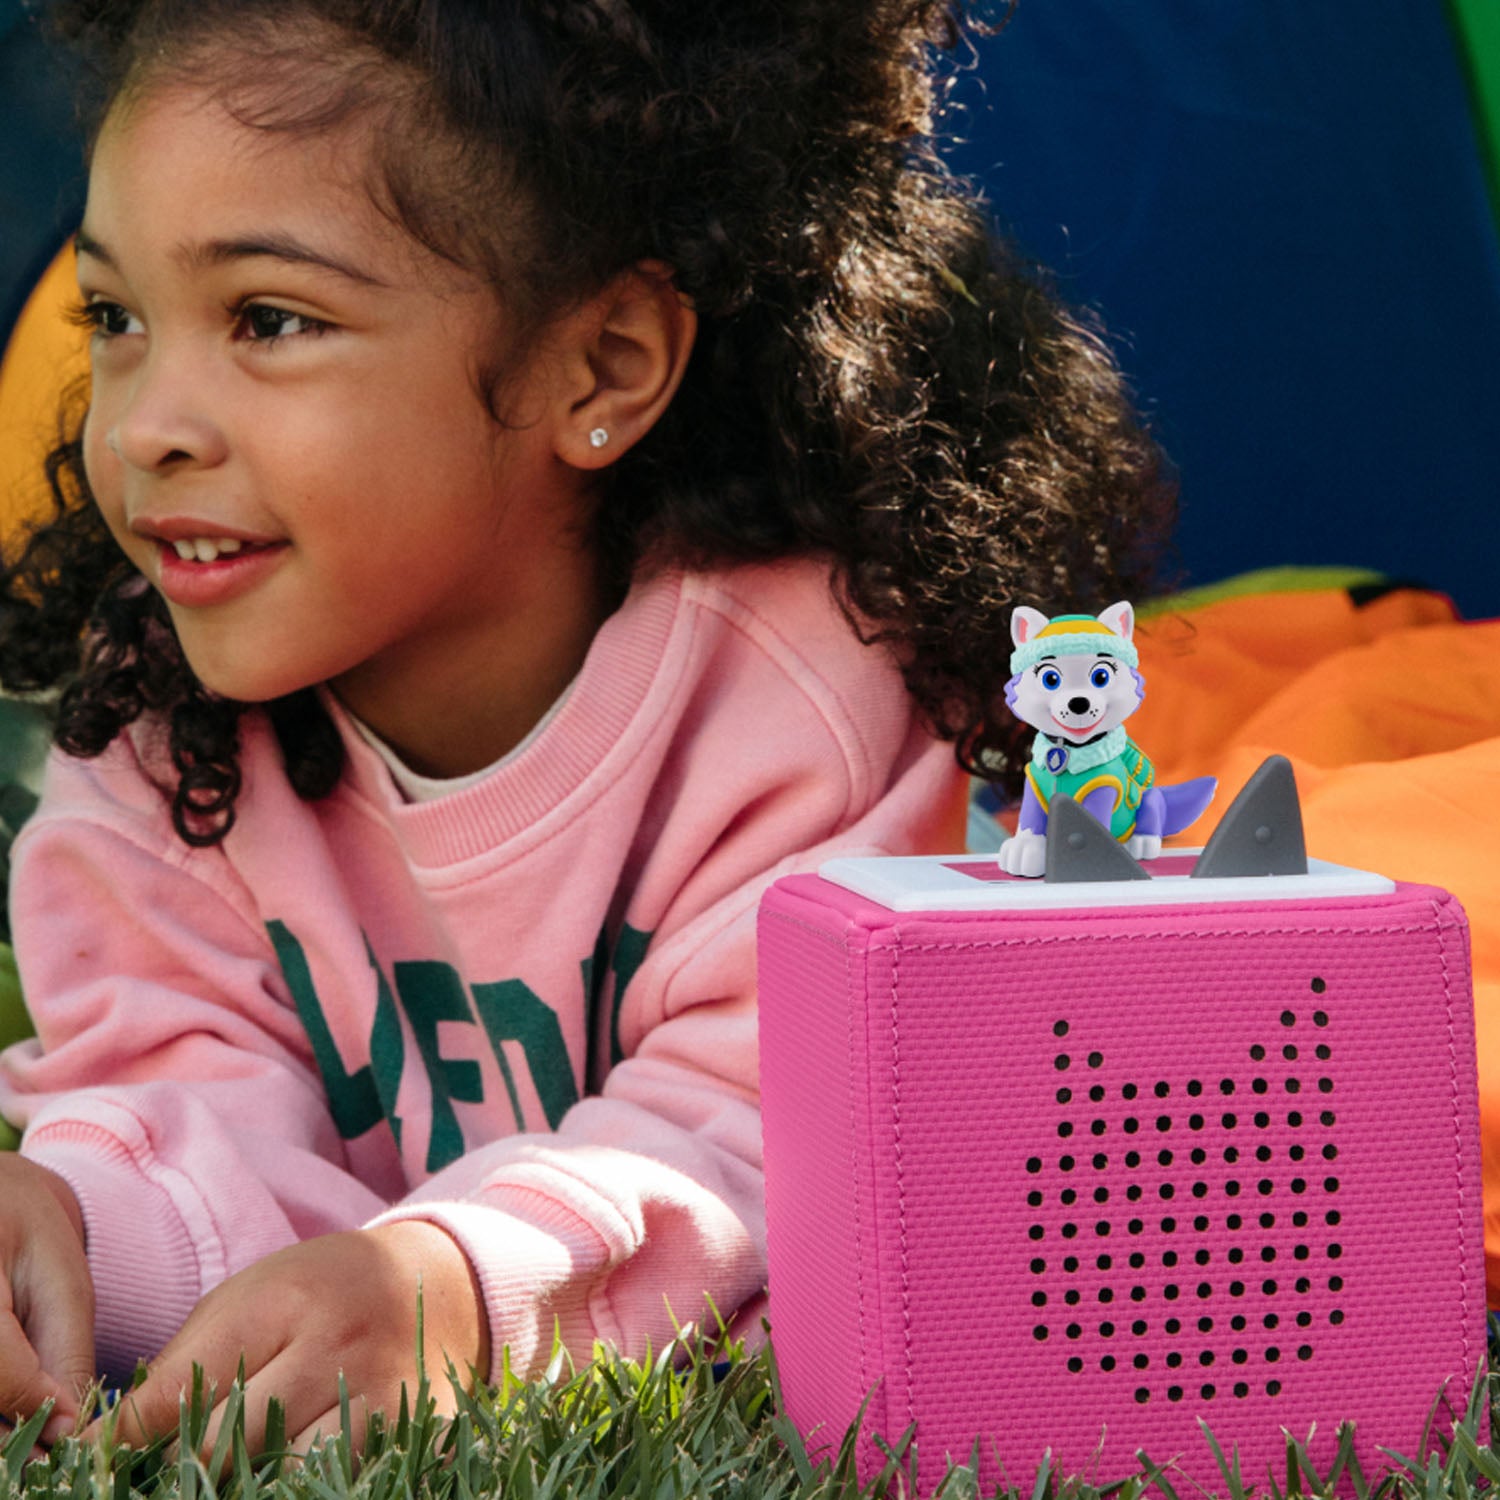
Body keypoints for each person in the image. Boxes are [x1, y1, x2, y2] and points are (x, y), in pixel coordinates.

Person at [0, 0, 1175, 1459]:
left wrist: (449, 1289)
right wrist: (69, 1233)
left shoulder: (800, 705)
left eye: (270, 320)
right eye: (115, 319)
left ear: (602, 368)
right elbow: (181, 1092)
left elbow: (781, 1151)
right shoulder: (159, 721)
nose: (146, 427)